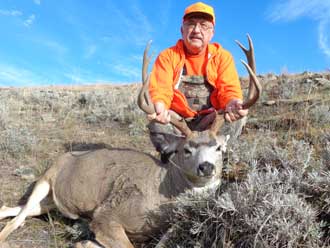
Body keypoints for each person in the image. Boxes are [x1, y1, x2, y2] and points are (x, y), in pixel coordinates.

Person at [147, 2, 247, 161]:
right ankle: (172, 163)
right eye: (191, 24)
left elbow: (228, 89)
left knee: (236, 117)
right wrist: (160, 105)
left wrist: (232, 102)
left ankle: (217, 159)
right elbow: (161, 88)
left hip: (209, 123)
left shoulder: (222, 57)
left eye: (204, 26)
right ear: (182, 30)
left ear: (212, 33)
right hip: (179, 123)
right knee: (157, 123)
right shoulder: (168, 56)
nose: (197, 30)